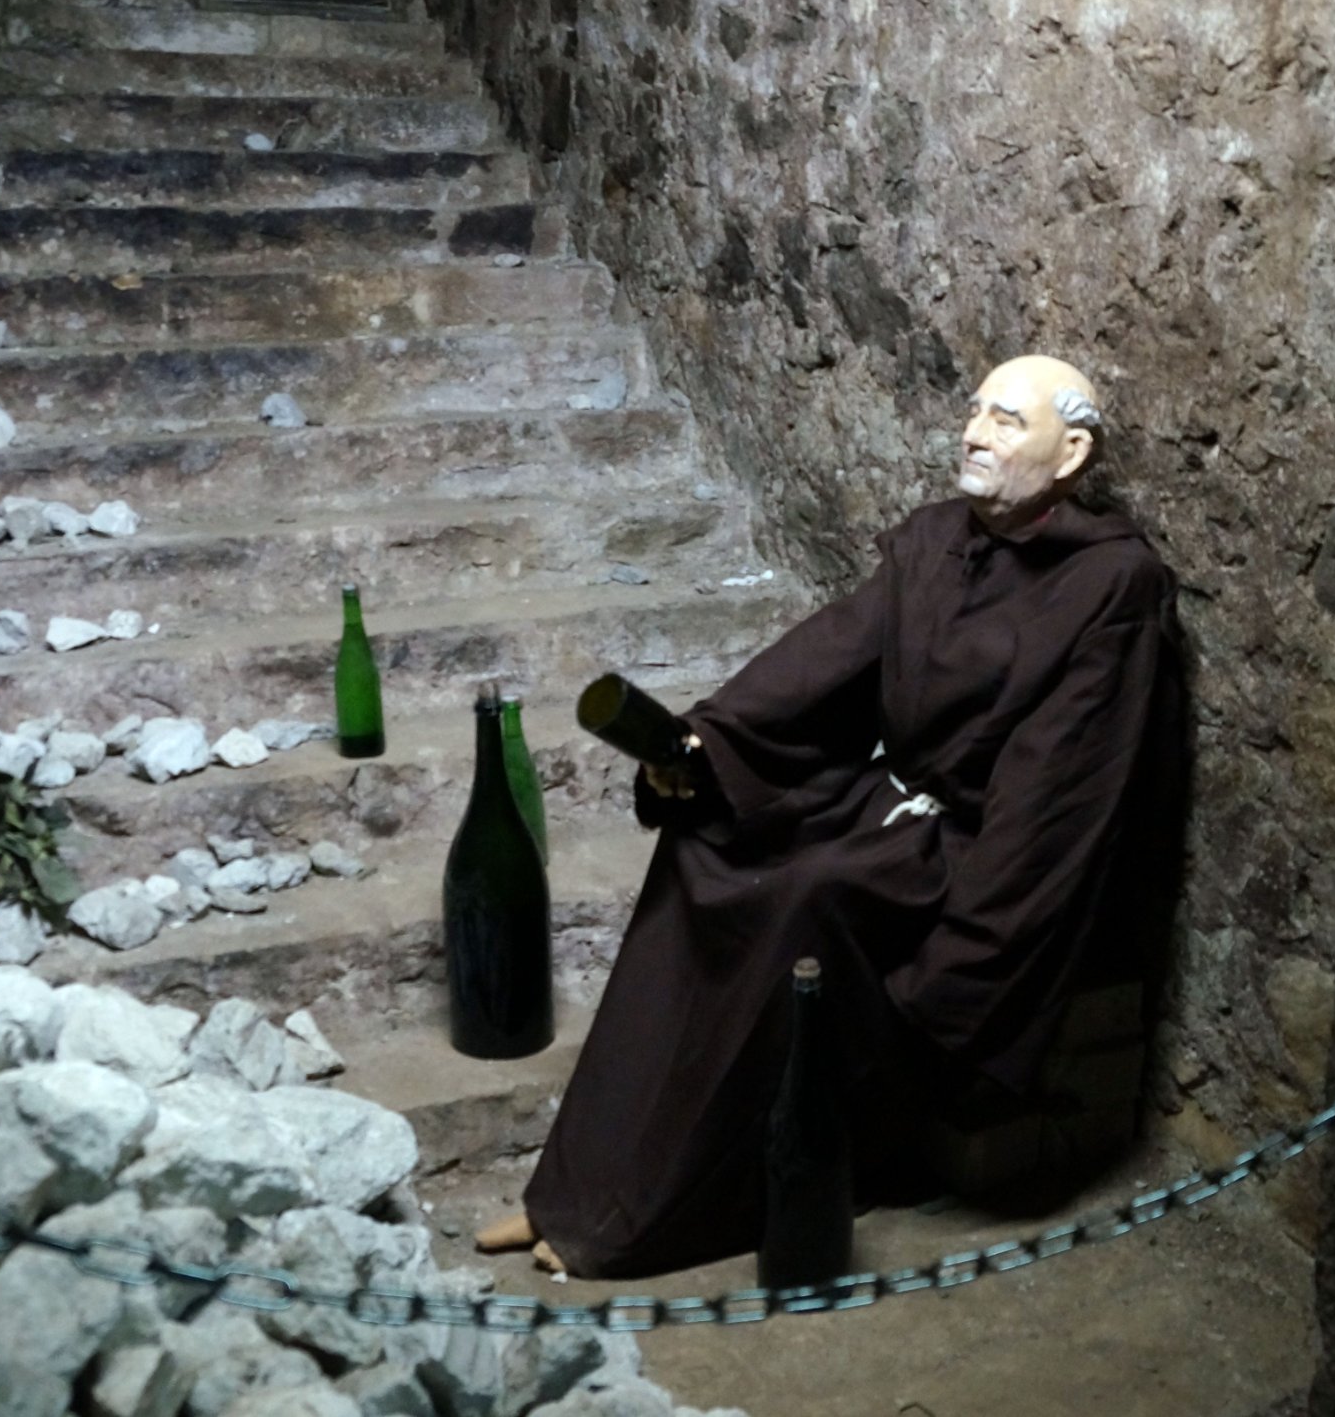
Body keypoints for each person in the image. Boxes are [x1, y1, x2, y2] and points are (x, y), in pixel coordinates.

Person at [478, 354, 1188, 1278]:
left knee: (803, 892)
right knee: (705, 845)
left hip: (965, 846)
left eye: (1006, 421)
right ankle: (572, 1189)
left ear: (1072, 453)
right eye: (974, 411)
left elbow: (1060, 793)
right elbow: (824, 657)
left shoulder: (1111, 586)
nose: (973, 433)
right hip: (885, 803)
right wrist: (702, 744)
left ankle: (633, 1216)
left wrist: (966, 960)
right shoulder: (935, 540)